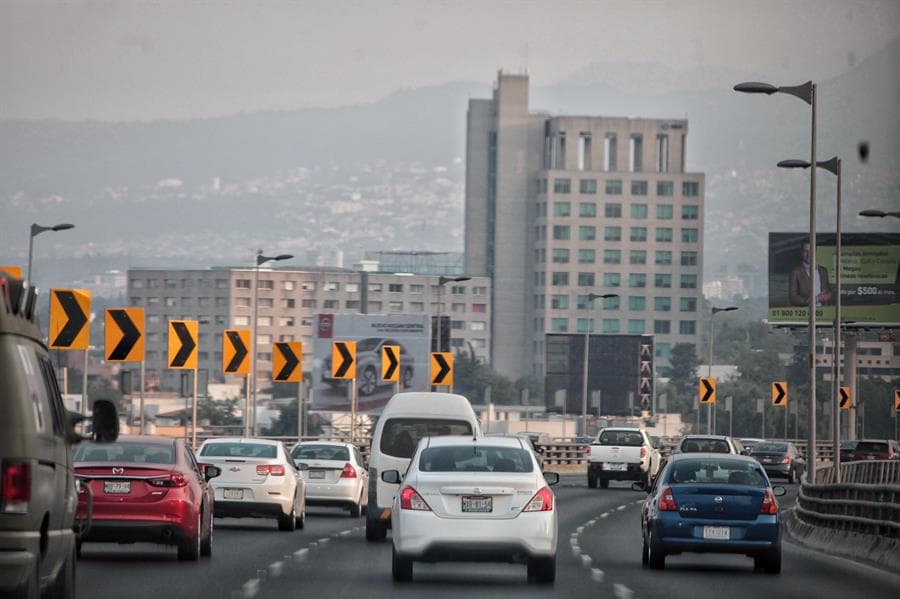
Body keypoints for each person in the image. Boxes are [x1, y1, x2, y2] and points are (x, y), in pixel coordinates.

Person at [788, 239, 831, 307]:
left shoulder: (823, 271)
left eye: (811, 251)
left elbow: (828, 291)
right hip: (805, 314)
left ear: (815, 251)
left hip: (823, 313)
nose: (809, 254)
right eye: (806, 251)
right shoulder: (795, 272)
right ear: (801, 252)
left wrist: (828, 295)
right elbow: (793, 298)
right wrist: (816, 299)